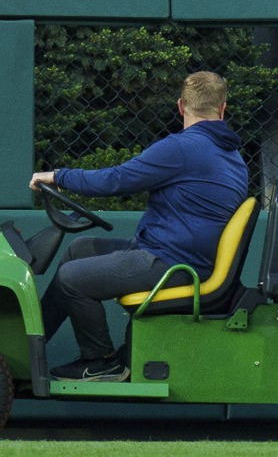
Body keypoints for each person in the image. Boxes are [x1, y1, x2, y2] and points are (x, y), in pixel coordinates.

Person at [31, 72, 248, 382]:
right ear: (223, 109)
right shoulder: (232, 156)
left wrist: (57, 176)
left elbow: (116, 180)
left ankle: (101, 361)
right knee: (79, 250)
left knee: (71, 278)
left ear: (180, 106)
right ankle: (31, 346)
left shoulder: (183, 149)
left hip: (174, 264)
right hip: (179, 256)